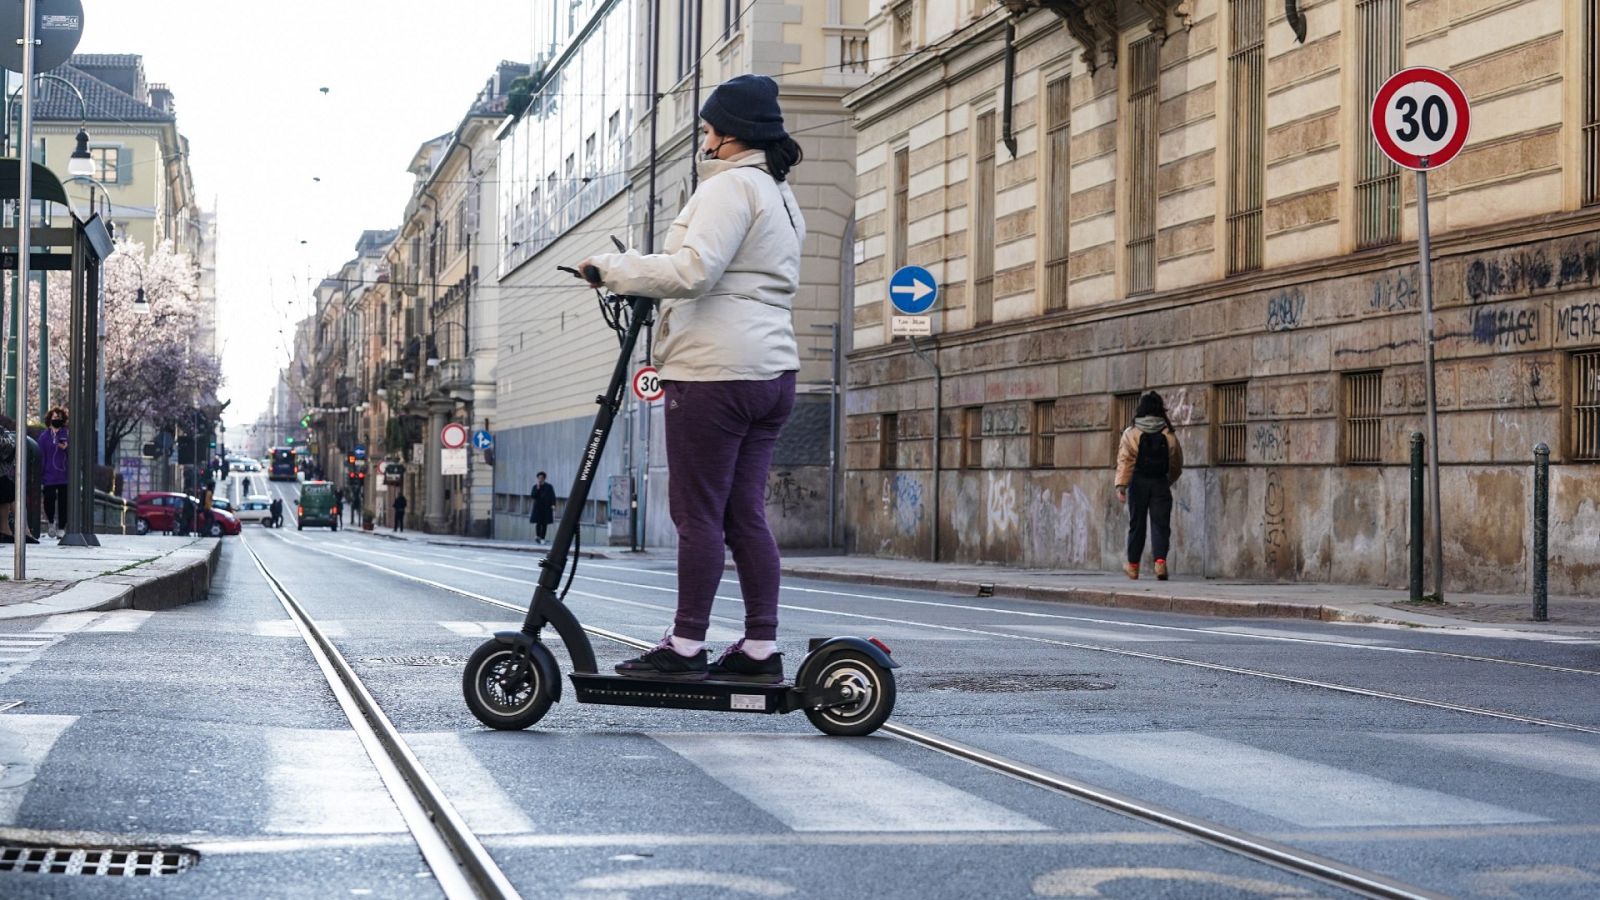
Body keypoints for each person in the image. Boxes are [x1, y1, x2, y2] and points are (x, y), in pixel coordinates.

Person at [577, 74, 804, 684]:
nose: (703, 137)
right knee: (744, 514)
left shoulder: (731, 189)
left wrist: (615, 269)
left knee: (697, 514)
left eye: (708, 128)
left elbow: (695, 269)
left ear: (731, 134)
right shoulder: (781, 195)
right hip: (772, 371)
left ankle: (684, 647)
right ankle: (760, 649)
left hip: (715, 372)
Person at [1114, 391, 1184, 581]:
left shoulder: (1132, 432)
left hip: (1138, 482)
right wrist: (1168, 480)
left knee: (1137, 525)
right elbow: (1176, 461)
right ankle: (1160, 563)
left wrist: (1121, 486)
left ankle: (1133, 567)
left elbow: (1125, 460)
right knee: (1160, 525)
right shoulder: (1167, 432)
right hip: (1160, 482)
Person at [40, 407, 68, 539]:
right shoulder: (44, 437)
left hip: (64, 475)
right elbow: (41, 455)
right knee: (49, 499)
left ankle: (62, 527)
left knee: (64, 502)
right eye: (54, 417)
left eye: (59, 418)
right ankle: (51, 522)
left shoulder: (66, 434)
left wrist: (67, 448)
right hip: (49, 474)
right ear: (49, 419)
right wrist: (41, 474)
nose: (57, 420)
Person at [528, 472, 556, 545]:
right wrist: (537, 488)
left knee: (544, 524)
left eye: (541, 478)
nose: (540, 479)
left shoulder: (549, 487)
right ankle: (538, 537)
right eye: (539, 478)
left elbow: (552, 496)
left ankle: (542, 538)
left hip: (546, 507)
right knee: (538, 523)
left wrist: (553, 504)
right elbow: (533, 496)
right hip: (538, 508)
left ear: (544, 478)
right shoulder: (535, 486)